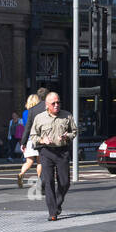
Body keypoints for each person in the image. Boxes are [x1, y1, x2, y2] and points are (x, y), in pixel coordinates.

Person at [28, 91, 77, 221]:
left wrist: (68, 136)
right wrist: (42, 140)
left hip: (62, 151)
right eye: (53, 103)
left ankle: (57, 203)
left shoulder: (67, 116)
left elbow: (75, 131)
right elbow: (33, 135)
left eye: (58, 102)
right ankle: (52, 212)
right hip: (46, 152)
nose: (56, 105)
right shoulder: (39, 118)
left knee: (65, 182)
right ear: (47, 105)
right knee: (48, 181)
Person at [18, 89, 47, 187]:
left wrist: (23, 142)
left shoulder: (26, 112)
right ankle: (40, 180)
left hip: (29, 138)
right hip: (38, 138)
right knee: (39, 161)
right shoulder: (40, 110)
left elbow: (26, 127)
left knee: (29, 161)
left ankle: (21, 173)